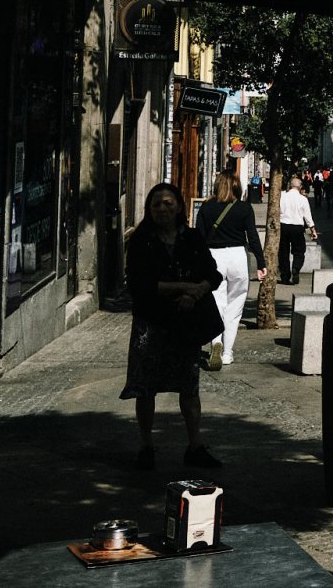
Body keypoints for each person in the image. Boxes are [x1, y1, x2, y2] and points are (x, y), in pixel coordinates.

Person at [121, 181, 224, 470]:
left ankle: (195, 445)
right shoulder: (141, 240)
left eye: (168, 203)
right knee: (145, 388)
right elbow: (139, 284)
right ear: (148, 209)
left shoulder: (191, 238)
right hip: (151, 324)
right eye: (156, 204)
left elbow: (212, 274)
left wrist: (197, 292)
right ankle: (146, 446)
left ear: (179, 206)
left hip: (185, 325)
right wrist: (184, 287)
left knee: (189, 387)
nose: (163, 209)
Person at [196, 173, 267, 370]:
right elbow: (252, 237)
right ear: (238, 187)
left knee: (216, 302)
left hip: (213, 256)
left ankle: (216, 341)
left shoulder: (206, 207)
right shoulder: (244, 208)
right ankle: (227, 353)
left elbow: (199, 237)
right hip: (237, 256)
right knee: (235, 305)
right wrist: (261, 264)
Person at [278, 174, 317, 285]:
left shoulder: (282, 196)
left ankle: (285, 275)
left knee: (283, 252)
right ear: (300, 187)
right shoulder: (303, 199)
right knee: (299, 251)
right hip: (297, 227)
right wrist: (313, 230)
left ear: (290, 185)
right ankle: (296, 267)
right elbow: (307, 216)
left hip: (283, 225)